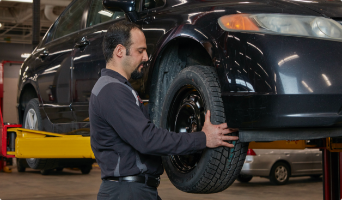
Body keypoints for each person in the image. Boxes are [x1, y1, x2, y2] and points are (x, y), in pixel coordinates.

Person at [89, 21, 239, 200]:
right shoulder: (111, 90)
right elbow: (147, 139)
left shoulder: (117, 88)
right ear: (120, 51)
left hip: (136, 190)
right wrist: (203, 138)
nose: (146, 57)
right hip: (127, 192)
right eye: (140, 51)